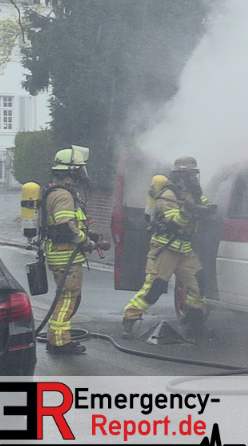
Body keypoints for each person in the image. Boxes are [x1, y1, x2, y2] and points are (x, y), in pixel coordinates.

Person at [121, 156, 216, 341]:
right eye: (190, 174)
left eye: (195, 174)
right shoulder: (168, 195)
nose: (194, 178)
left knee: (198, 285)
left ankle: (195, 324)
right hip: (166, 247)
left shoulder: (192, 192)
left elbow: (204, 204)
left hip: (185, 248)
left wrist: (208, 208)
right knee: (154, 288)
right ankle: (129, 320)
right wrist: (187, 211)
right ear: (181, 175)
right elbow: (173, 223)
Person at [43, 146, 101, 355]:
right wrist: (86, 241)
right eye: (79, 171)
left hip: (63, 253)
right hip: (65, 254)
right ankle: (59, 343)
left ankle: (57, 338)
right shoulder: (64, 196)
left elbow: (70, 223)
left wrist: (89, 234)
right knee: (67, 299)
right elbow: (65, 226)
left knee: (68, 298)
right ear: (70, 173)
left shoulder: (58, 192)